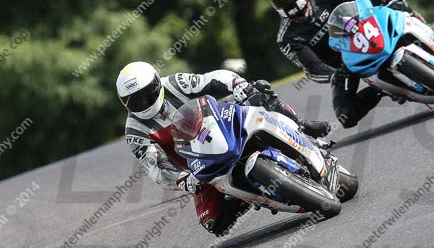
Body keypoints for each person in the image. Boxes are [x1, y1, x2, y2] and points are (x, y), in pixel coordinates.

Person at [117, 61, 329, 236]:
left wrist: (237, 84)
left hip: (221, 125)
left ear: (157, 84)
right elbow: (156, 168)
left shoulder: (173, 83)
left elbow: (211, 78)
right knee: (214, 223)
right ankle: (246, 195)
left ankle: (303, 127)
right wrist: (184, 180)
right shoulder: (134, 132)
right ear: (125, 103)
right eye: (134, 101)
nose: (143, 103)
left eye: (147, 94)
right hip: (199, 168)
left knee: (259, 90)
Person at [267, 0, 434, 129]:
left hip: (367, 30)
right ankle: (383, 89)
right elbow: (312, 67)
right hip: (347, 65)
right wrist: (334, 75)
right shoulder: (286, 38)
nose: (287, 2)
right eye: (280, 0)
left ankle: (431, 30)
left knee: (395, 2)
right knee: (346, 117)